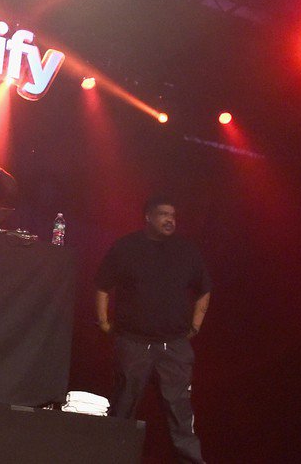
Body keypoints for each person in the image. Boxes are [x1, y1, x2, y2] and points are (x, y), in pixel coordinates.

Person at [95, 196, 212, 464]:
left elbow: (204, 288)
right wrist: (103, 322)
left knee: (181, 416)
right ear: (148, 216)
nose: (170, 220)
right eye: (163, 214)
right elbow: (102, 285)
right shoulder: (126, 247)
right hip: (134, 343)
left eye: (173, 215)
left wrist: (196, 325)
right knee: (122, 411)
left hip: (174, 347)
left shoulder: (186, 250)